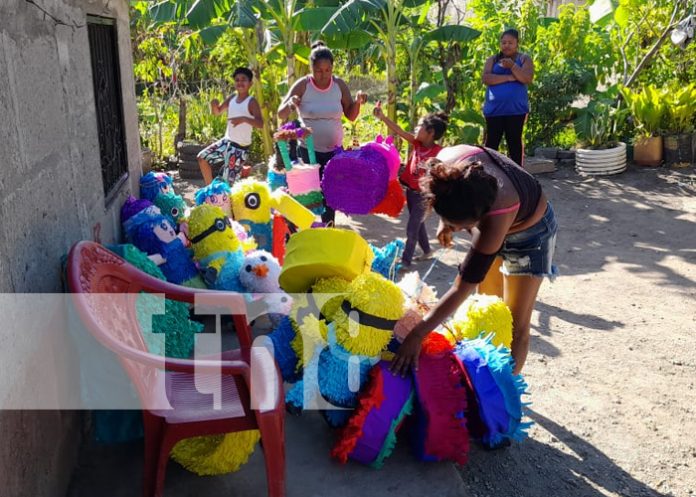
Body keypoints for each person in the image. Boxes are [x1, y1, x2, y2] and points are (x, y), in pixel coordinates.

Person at [390, 144, 558, 377]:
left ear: (480, 219)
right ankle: (479, 383)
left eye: (465, 227)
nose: (460, 231)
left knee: (513, 325)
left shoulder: (496, 216)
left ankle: (505, 398)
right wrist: (446, 223)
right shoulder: (446, 167)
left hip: (531, 235)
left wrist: (418, 334)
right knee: (485, 312)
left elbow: (462, 287)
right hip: (495, 218)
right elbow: (445, 195)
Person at [277, 41, 368, 226]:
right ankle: (297, 231)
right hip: (307, 150)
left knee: (329, 193)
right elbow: (281, 114)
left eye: (328, 70)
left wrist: (358, 102)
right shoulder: (303, 85)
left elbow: (350, 115)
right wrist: (291, 104)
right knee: (307, 194)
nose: (324, 75)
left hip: (334, 151)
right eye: (319, 70)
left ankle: (329, 229)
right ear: (311, 69)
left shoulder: (339, 85)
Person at [373, 102, 449, 268]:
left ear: (431, 133)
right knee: (418, 223)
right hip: (411, 192)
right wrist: (383, 117)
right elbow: (399, 131)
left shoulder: (440, 153)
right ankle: (427, 251)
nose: (416, 129)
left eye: (420, 126)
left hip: (424, 195)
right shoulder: (416, 143)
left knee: (412, 227)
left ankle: (406, 260)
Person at [197, 67, 264, 185]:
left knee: (228, 183)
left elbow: (260, 124)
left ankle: (226, 196)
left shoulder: (251, 102)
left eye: (244, 79)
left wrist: (243, 119)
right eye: (237, 80)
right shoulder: (232, 97)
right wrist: (213, 105)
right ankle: (210, 190)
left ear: (250, 83)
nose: (240, 82)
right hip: (226, 142)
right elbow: (217, 112)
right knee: (202, 158)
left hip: (239, 148)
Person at [482, 29, 534, 167]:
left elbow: (526, 78)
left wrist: (512, 66)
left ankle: (518, 176)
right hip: (494, 110)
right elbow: (486, 78)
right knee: (492, 143)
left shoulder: (524, 59)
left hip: (516, 110)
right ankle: (487, 174)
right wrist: (509, 77)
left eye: (510, 42)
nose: (506, 45)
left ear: (517, 43)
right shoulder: (492, 60)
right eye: (504, 42)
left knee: (514, 143)